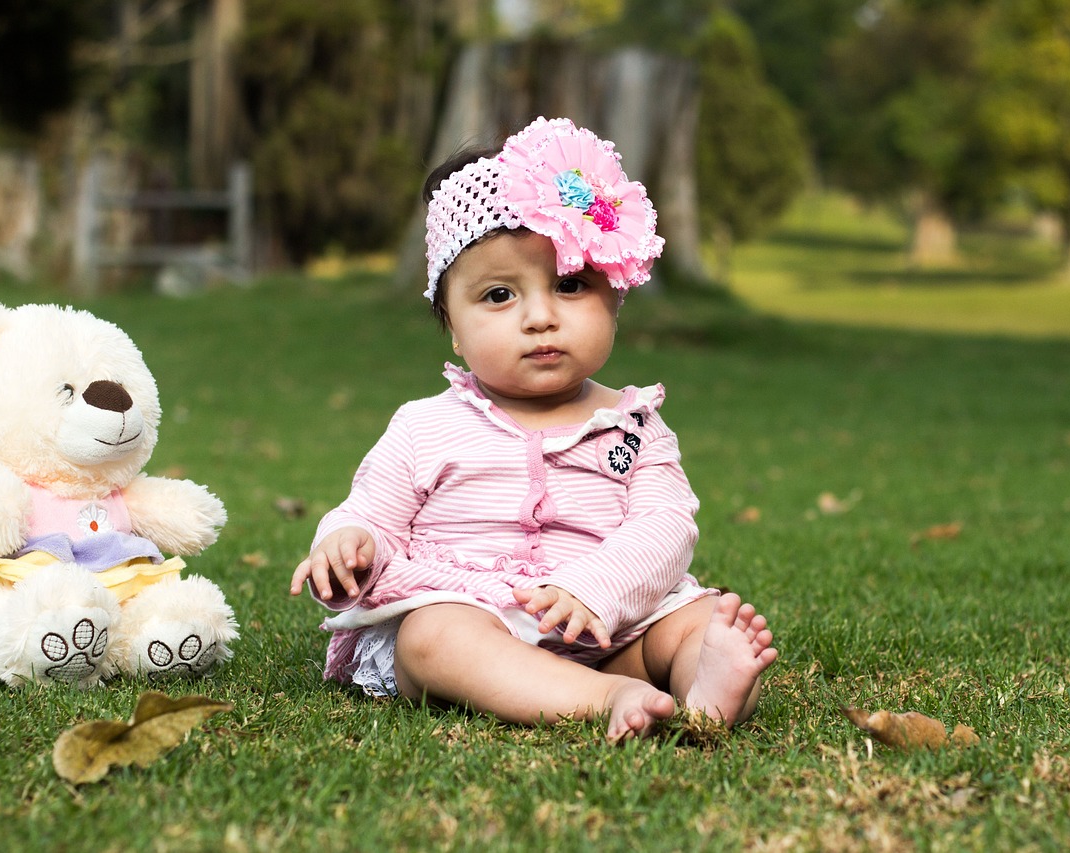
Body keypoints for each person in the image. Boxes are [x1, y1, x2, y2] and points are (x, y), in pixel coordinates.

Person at [290, 117, 776, 742]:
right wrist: (348, 540)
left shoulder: (634, 428)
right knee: (433, 638)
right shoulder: (425, 425)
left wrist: (595, 590)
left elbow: (666, 527)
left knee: (702, 619)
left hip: (609, 626)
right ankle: (608, 698)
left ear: (615, 301)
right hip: (481, 621)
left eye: (571, 285)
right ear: (454, 330)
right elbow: (374, 515)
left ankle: (704, 688)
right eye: (499, 296)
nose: (541, 318)